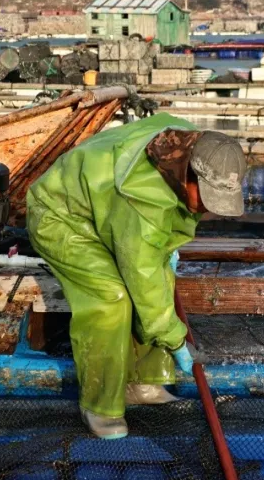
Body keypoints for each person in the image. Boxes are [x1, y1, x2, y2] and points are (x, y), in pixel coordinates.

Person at [27, 113, 247, 439]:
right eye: (206, 196)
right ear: (188, 176)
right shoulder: (140, 199)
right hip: (61, 216)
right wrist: (176, 339)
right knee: (111, 298)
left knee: (161, 279)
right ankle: (99, 405)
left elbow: (151, 264)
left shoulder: (193, 144)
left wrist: (165, 251)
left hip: (106, 211)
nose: (208, 209)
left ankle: (145, 382)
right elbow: (143, 275)